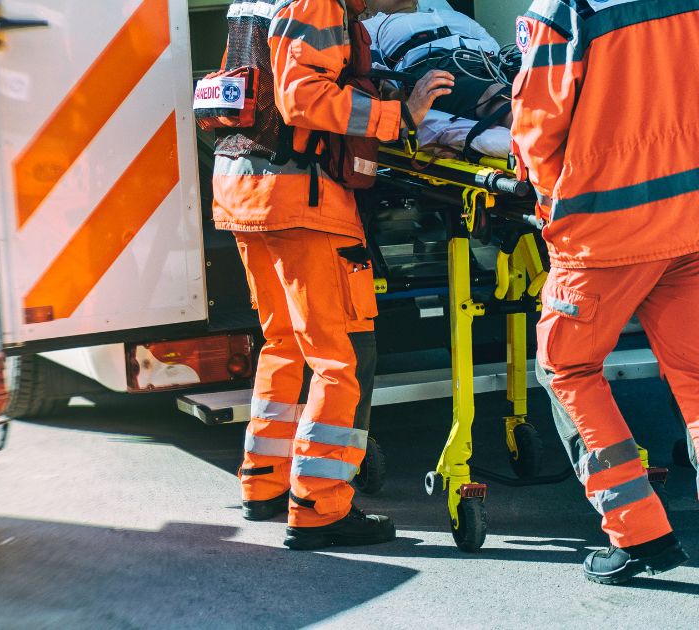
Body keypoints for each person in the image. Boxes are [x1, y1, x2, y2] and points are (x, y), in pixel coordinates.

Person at [212, 0, 452, 550]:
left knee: (284, 345)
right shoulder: (319, 4)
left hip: (248, 192)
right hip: (303, 199)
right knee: (339, 355)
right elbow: (300, 97)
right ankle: (319, 507)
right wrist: (399, 114)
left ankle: (264, 483)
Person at [511, 0, 699, 585]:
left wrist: (550, 207)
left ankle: (638, 532)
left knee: (566, 367)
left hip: (605, 231)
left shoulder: (567, 8)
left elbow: (537, 128)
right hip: (690, 216)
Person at [364, 2, 514, 127]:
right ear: (365, 7)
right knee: (492, 95)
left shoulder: (453, 15)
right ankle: (526, 124)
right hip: (434, 65)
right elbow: (368, 70)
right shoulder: (370, 26)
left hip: (490, 61)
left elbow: (495, 47)